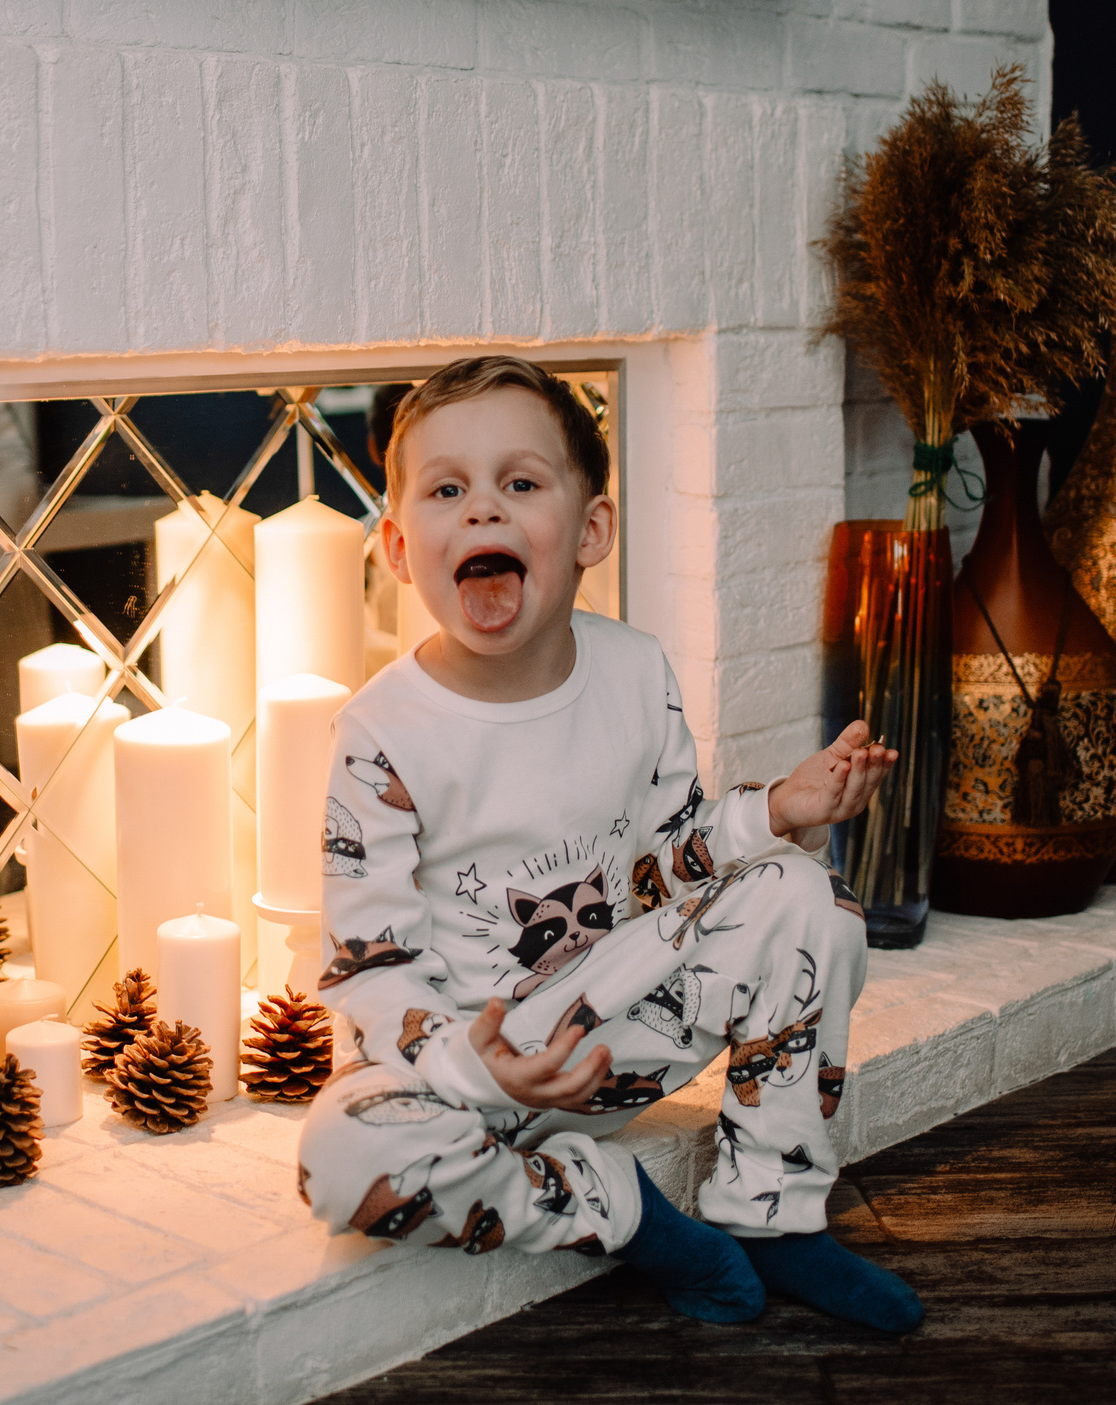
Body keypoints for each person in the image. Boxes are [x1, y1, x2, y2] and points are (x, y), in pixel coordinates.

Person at [295, 357, 922, 1333]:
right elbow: (371, 969)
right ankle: (616, 1206)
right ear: (398, 543)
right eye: (447, 489)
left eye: (521, 482)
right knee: (341, 1158)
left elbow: (663, 859)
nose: (482, 512)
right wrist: (474, 1069)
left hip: (622, 1020)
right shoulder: (381, 734)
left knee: (805, 892)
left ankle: (771, 1208)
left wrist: (778, 810)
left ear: (590, 529)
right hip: (473, 1077)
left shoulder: (634, 670)